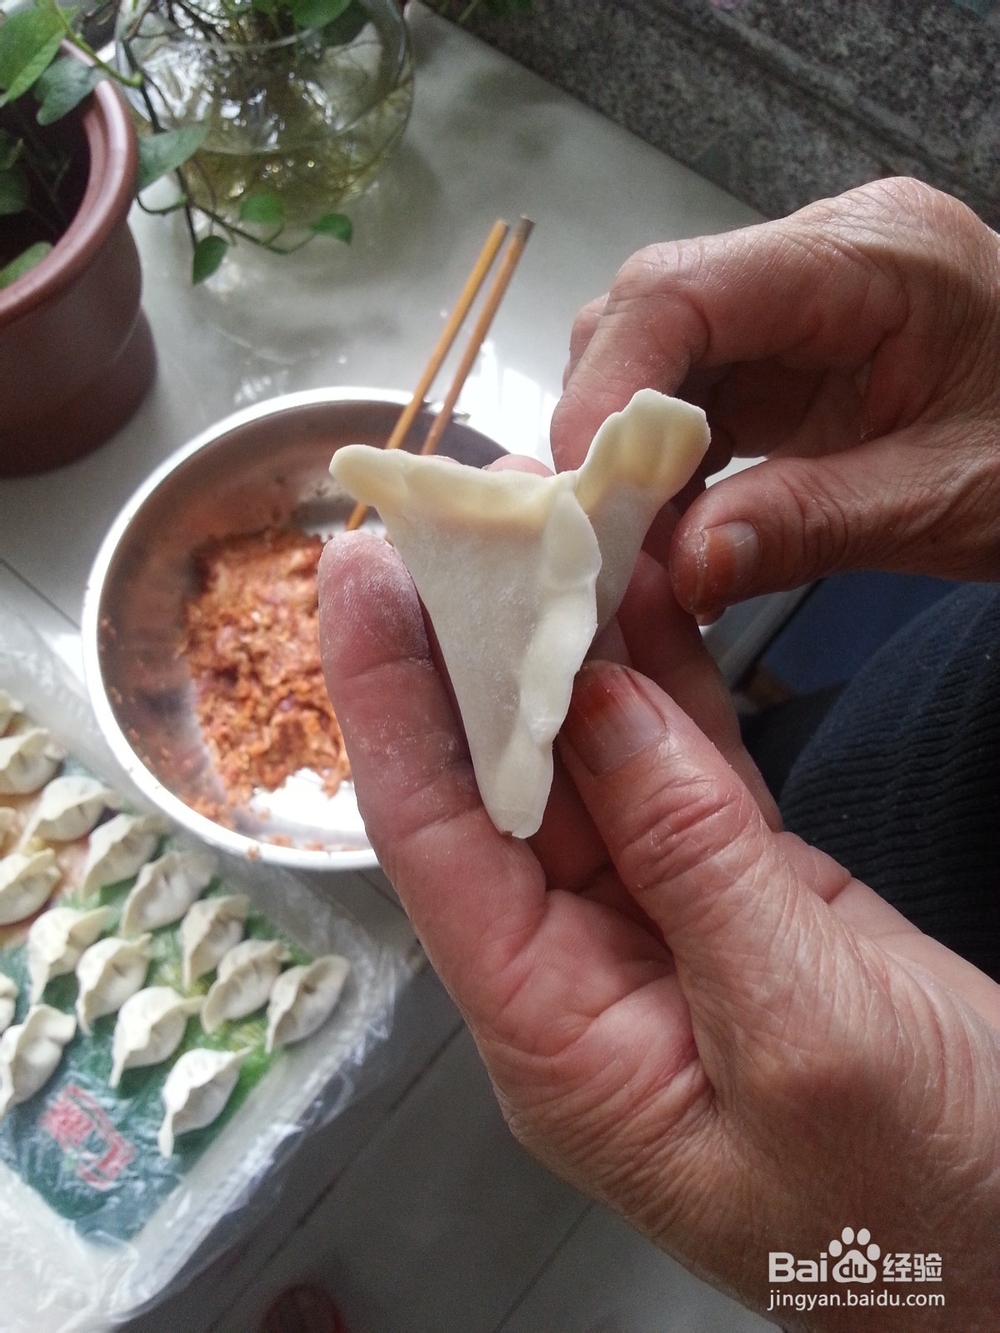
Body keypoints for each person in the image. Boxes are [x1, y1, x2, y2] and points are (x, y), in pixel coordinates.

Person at [317, 178, 1000, 1328]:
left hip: (923, 919)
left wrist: (964, 1278)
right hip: (913, 762)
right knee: (793, 775)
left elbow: (908, 1258)